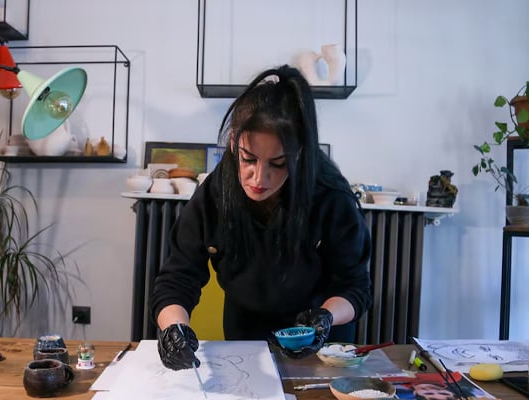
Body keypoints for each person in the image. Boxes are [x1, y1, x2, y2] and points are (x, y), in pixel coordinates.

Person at [149, 65, 372, 371]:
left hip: (318, 338)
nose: (259, 178)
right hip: (246, 331)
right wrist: (173, 329)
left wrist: (325, 318)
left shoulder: (329, 195)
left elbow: (354, 286)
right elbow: (178, 277)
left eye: (278, 164)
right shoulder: (215, 192)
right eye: (248, 159)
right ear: (232, 143)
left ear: (299, 154)